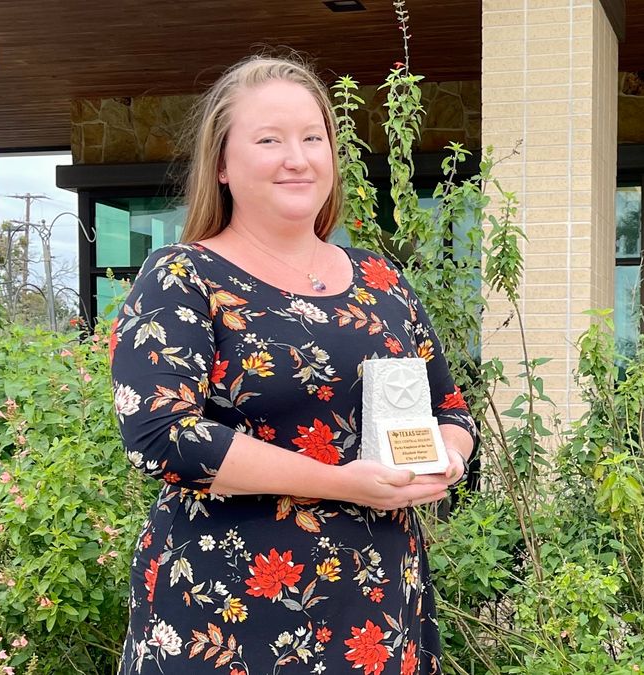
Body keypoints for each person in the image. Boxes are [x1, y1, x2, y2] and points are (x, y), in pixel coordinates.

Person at [110, 55, 475, 675]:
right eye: (269, 140)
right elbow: (160, 436)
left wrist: (447, 460)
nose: (297, 157)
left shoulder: (382, 282)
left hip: (376, 604)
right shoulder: (183, 277)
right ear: (222, 164)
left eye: (313, 137)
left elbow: (448, 408)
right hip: (227, 609)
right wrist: (340, 482)